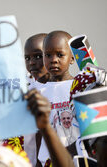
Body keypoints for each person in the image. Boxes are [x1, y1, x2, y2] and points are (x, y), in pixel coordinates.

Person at [33, 30, 79, 166]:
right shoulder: (39, 90)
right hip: (47, 161)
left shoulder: (79, 88)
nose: (53, 60)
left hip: (73, 160)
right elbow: (38, 132)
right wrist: (37, 162)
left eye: (60, 55)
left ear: (72, 58)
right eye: (48, 55)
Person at [23, 33, 50, 166]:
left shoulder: (69, 88)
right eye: (27, 58)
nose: (31, 62)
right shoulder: (23, 88)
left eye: (38, 56)